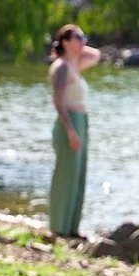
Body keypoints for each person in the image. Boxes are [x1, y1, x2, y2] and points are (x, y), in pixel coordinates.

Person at [46, 24, 101, 238]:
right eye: (78, 37)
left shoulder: (74, 64)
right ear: (66, 41)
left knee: (78, 176)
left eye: (83, 36)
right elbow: (57, 100)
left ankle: (72, 228)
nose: (83, 40)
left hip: (81, 120)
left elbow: (96, 55)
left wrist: (76, 46)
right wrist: (70, 130)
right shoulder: (61, 67)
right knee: (65, 175)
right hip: (69, 121)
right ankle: (58, 228)